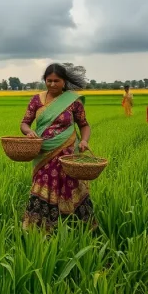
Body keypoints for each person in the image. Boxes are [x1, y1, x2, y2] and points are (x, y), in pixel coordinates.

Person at [20, 63, 95, 231]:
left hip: (68, 154)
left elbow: (84, 125)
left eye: (57, 81)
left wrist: (84, 141)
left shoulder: (73, 102)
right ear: (45, 80)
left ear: (64, 81)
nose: (52, 84)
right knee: (43, 184)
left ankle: (76, 227)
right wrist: (28, 132)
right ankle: (39, 227)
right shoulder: (36, 100)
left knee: (70, 184)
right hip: (43, 153)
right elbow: (25, 123)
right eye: (49, 80)